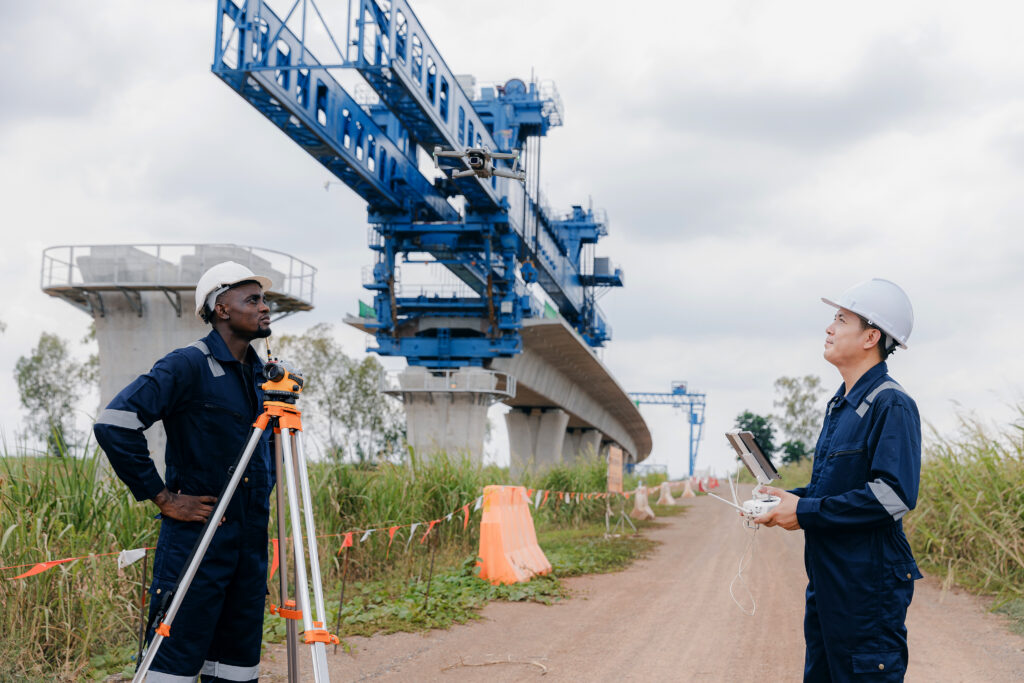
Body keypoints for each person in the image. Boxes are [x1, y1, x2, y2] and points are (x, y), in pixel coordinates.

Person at [94, 261, 275, 683]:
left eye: (265, 299)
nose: (265, 308)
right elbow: (115, 423)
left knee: (237, 667)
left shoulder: (261, 378)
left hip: (248, 549)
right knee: (171, 666)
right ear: (221, 309)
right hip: (197, 542)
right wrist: (163, 497)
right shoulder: (187, 365)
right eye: (253, 299)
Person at [756, 278, 922, 682]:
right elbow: (832, 490)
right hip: (830, 582)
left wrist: (807, 511)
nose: (829, 328)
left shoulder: (891, 403)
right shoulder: (841, 405)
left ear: (871, 336)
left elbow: (892, 496)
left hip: (867, 588)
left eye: (841, 319)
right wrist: (787, 502)